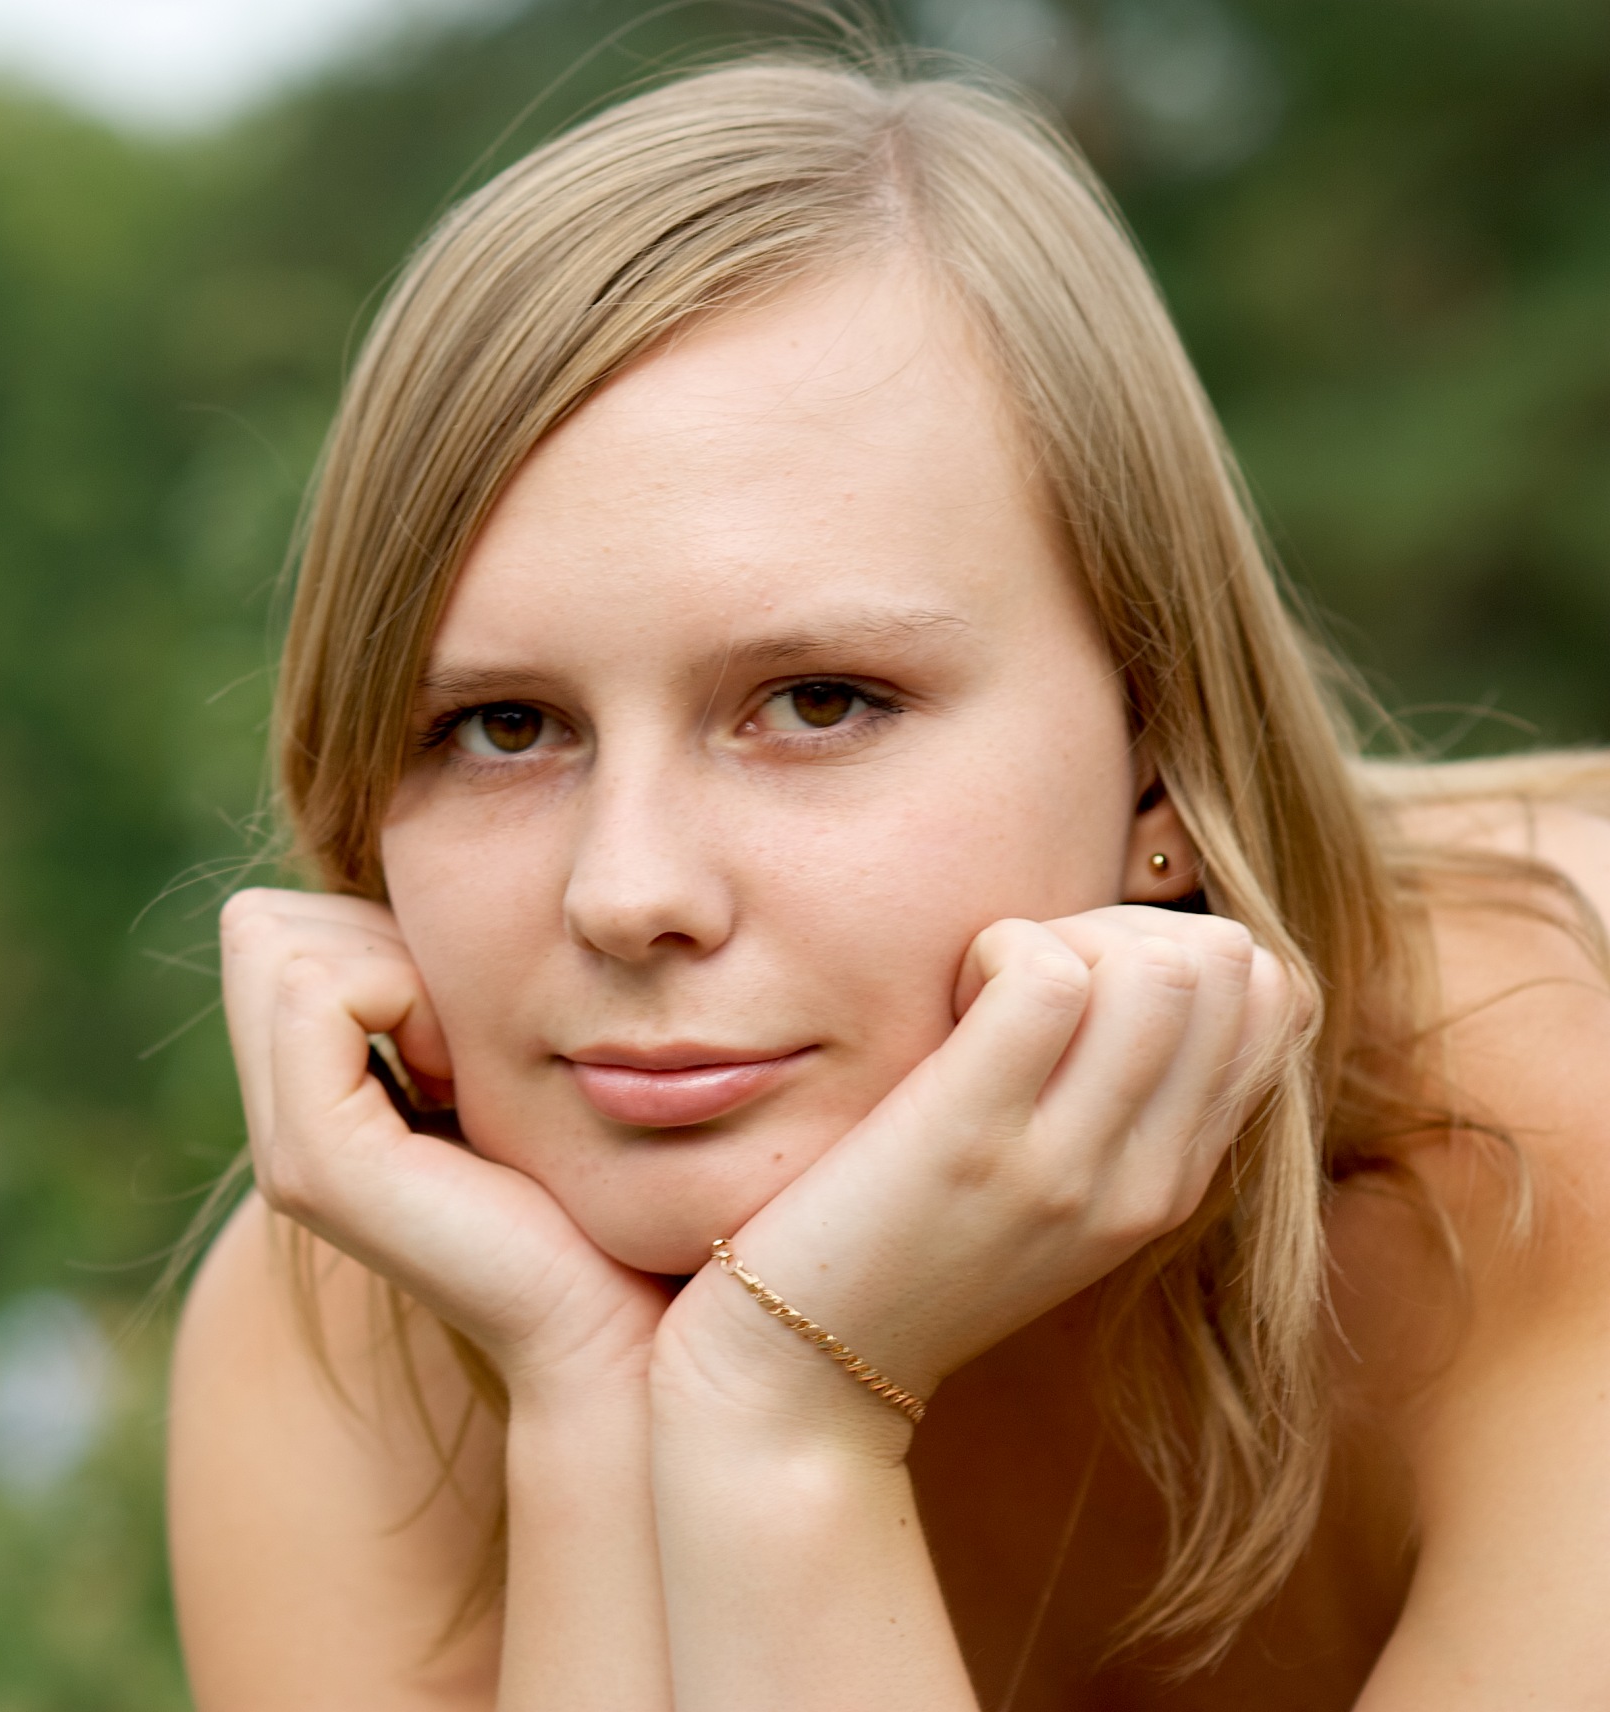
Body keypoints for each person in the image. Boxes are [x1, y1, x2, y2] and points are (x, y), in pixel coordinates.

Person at [165, 49, 1610, 1711]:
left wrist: (779, 1422)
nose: (627, 893)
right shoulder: (367, 1317)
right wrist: (590, 1397)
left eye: (817, 703)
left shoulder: (1543, 1163)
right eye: (503, 727)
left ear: (1159, 744)